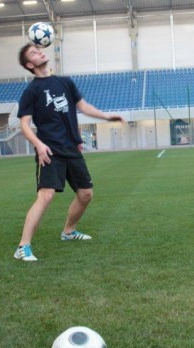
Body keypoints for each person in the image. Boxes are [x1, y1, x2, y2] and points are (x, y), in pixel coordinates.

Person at [13, 43, 124, 262]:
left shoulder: (65, 82)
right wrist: (38, 144)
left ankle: (69, 231)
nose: (40, 52)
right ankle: (23, 246)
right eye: (34, 53)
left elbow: (83, 106)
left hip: (72, 148)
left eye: (38, 50)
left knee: (86, 194)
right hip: (49, 150)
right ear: (29, 65)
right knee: (46, 196)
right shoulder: (31, 91)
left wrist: (107, 116)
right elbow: (24, 125)